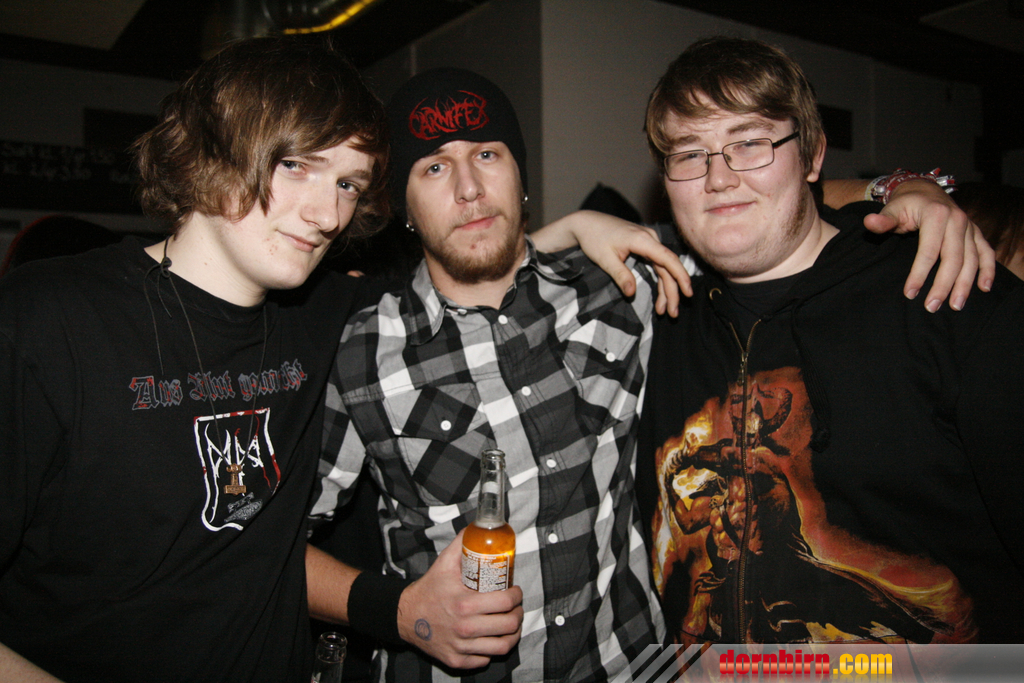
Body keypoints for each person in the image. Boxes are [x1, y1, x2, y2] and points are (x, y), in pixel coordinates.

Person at [305, 66, 991, 682]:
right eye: (433, 168)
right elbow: (268, 547)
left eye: (488, 154)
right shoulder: (361, 351)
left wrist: (905, 190)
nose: (468, 188)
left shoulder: (620, 284)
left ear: (520, 175)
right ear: (403, 207)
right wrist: (398, 611)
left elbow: (761, 205)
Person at [0, 36, 391, 682]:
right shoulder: (46, 319)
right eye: (296, 164)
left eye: (348, 183)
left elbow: (461, 286)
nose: (327, 214)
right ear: (213, 146)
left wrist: (564, 237)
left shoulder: (326, 312)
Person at [635, 36, 1024, 648]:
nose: (718, 177)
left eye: (749, 142)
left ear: (813, 156)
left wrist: (908, 186)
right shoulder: (651, 317)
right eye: (689, 153)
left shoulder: (947, 295)